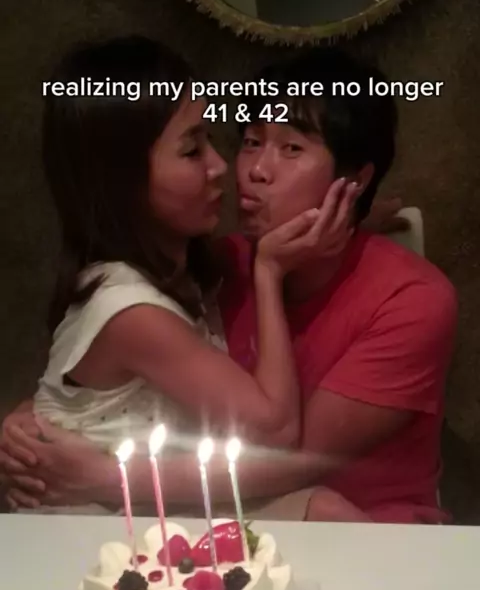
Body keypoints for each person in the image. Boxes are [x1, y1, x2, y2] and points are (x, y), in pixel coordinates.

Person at [0, 42, 457, 523]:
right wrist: (30, 426)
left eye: (291, 148)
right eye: (252, 141)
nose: (252, 170)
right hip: (212, 519)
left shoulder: (413, 301)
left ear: (354, 180)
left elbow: (290, 460)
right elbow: (112, 375)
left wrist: (103, 475)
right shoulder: (220, 265)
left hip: (368, 529)